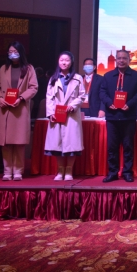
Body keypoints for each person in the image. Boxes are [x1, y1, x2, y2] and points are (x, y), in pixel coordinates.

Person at [0, 41, 38, 181]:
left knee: (18, 142)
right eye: (10, 52)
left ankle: (18, 171)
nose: (12, 54)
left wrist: (21, 98)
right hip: (4, 109)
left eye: (15, 51)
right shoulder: (3, 68)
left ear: (21, 52)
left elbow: (33, 87)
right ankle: (7, 171)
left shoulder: (29, 68)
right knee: (5, 143)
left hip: (19, 108)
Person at [100, 49, 137, 183]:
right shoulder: (108, 76)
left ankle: (127, 172)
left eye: (124, 58)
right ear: (116, 60)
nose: (121, 60)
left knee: (128, 146)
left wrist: (129, 104)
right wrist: (109, 103)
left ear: (129, 60)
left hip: (128, 116)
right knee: (112, 147)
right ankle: (112, 172)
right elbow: (102, 92)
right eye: (119, 58)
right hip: (112, 116)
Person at [44, 51, 86, 181]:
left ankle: (69, 171)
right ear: (58, 61)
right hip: (57, 115)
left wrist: (73, 105)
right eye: (62, 60)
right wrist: (50, 113)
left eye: (67, 60)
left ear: (71, 62)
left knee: (72, 144)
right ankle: (60, 170)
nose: (64, 62)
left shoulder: (78, 78)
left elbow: (82, 96)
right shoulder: (53, 78)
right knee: (57, 144)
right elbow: (49, 97)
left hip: (71, 115)